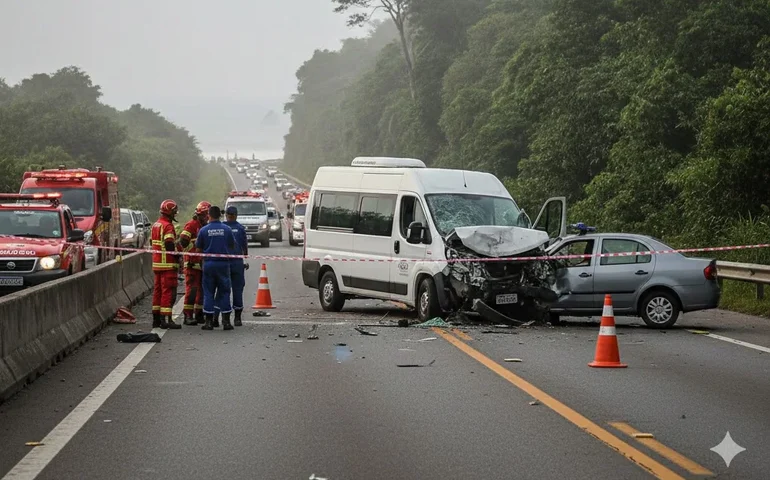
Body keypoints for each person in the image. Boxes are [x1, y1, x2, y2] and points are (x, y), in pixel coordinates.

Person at [195, 206, 236, 331]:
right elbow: (232, 245)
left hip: (209, 264)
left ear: (209, 215)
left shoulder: (203, 230)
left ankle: (208, 322)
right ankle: (226, 322)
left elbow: (198, 250)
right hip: (223, 264)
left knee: (208, 292)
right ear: (220, 215)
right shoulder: (227, 229)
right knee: (224, 291)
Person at [178, 201, 211, 326]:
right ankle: (187, 315)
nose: (206, 218)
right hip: (192, 264)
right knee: (191, 290)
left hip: (201, 265)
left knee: (201, 291)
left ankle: (198, 313)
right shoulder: (192, 225)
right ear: (200, 215)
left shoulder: (204, 226)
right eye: (205, 215)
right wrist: (196, 242)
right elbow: (183, 242)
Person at [151, 199, 182, 330]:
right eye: (174, 212)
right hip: (168, 265)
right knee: (168, 292)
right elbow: (169, 244)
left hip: (157, 264)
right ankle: (166, 319)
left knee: (157, 291)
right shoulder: (168, 226)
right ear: (170, 213)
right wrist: (178, 255)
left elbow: (151, 242)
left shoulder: (156, 225)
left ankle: (156, 319)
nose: (175, 215)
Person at [223, 206, 249, 326]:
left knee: (223, 290)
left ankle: (223, 318)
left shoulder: (222, 227)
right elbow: (245, 246)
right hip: (237, 263)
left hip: (224, 262)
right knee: (238, 289)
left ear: (227, 215)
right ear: (236, 215)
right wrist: (245, 258)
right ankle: (237, 318)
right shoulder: (240, 228)